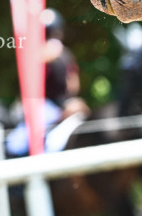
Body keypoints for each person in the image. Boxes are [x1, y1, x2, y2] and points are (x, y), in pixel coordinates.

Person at [5, 9, 89, 156]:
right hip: (68, 105)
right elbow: (74, 86)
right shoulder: (67, 53)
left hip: (47, 108)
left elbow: (31, 86)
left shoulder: (39, 54)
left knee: (14, 144)